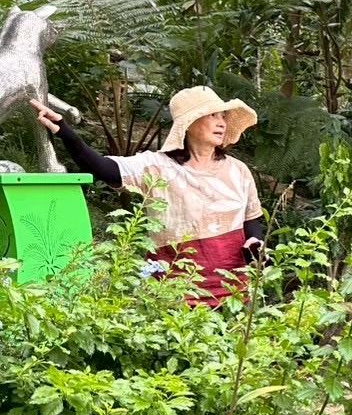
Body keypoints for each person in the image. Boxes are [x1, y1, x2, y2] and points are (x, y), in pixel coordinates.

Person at [31, 87, 264, 307]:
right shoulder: (157, 166)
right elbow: (103, 168)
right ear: (189, 123)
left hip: (235, 293)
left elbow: (251, 220)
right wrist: (64, 130)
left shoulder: (238, 170)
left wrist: (256, 243)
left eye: (223, 116)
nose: (221, 122)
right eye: (212, 115)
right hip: (176, 295)